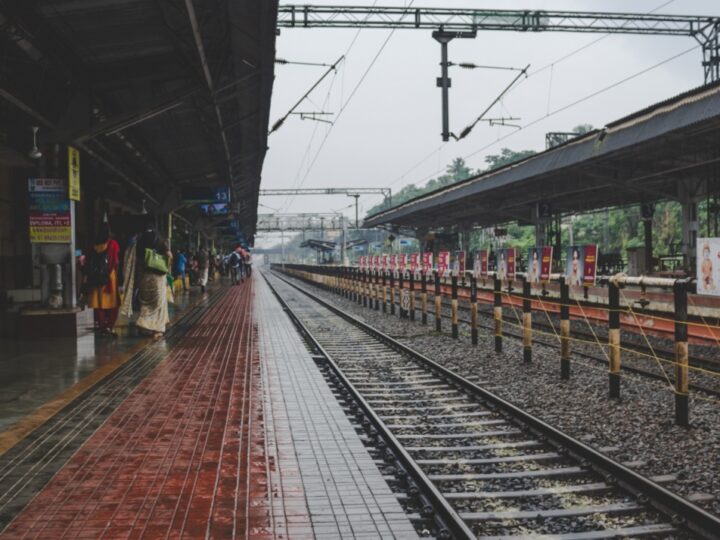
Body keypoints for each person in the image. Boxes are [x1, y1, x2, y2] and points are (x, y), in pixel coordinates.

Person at [135, 227, 171, 339]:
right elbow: (169, 255)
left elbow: (137, 261)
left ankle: (143, 325)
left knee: (146, 303)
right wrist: (167, 265)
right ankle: (157, 330)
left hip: (144, 277)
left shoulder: (140, 242)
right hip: (158, 278)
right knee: (158, 305)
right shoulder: (161, 241)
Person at [86, 224, 120, 336]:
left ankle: (101, 325)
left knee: (99, 303)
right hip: (109, 277)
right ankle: (109, 326)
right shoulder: (112, 244)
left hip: (96, 278)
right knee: (113, 303)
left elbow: (88, 261)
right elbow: (115, 261)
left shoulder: (93, 245)